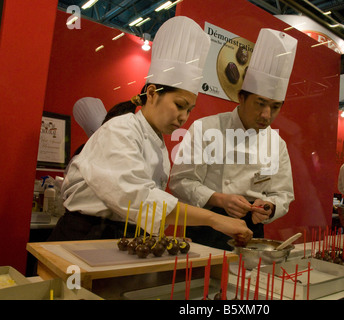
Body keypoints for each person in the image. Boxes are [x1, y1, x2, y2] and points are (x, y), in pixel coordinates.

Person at [48, 16, 253, 244]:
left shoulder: (155, 139)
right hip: (86, 236)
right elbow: (139, 198)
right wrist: (214, 219)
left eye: (190, 110)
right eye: (179, 105)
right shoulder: (119, 130)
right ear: (153, 93)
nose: (183, 117)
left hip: (121, 236)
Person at [169, 28, 297, 250]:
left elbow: (283, 193)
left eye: (275, 107)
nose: (267, 115)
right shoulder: (206, 128)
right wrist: (219, 199)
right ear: (241, 98)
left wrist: (270, 207)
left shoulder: (277, 144)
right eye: (260, 104)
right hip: (206, 224)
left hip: (251, 229)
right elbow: (181, 182)